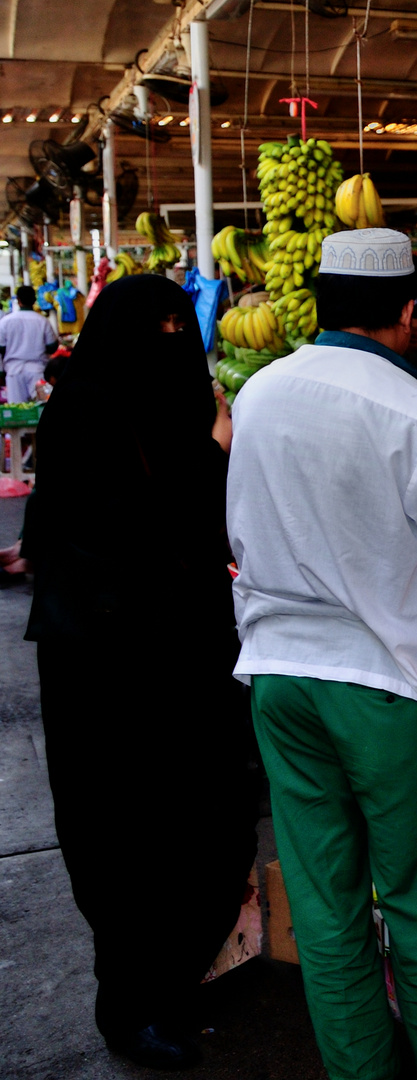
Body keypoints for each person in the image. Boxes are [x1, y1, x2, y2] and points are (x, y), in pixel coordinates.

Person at [226, 228, 417, 1080]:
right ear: (407, 310)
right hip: (384, 686)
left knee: (325, 907)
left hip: (279, 675)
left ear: (319, 303)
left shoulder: (262, 394)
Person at [21, 274, 255, 1069]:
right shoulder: (83, 410)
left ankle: (176, 975)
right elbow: (119, 527)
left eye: (175, 326)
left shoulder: (184, 407)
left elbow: (209, 527)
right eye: (150, 328)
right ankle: (131, 1007)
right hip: (102, 667)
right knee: (122, 835)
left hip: (187, 657)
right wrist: (210, 452)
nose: (169, 344)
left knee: (208, 821)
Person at [0, 285, 60, 404]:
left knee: (18, 409)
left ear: (18, 300)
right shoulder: (42, 321)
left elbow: (1, 348)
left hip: (13, 372)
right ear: (34, 300)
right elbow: (52, 346)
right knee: (39, 407)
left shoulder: (6, 321)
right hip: (37, 370)